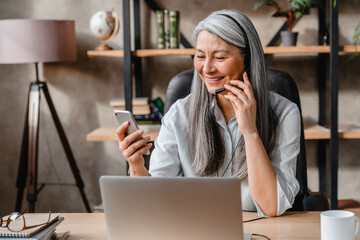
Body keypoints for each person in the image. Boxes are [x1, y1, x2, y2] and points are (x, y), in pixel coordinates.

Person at [117, 9, 300, 217]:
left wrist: (250, 132)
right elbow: (154, 202)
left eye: (220, 57)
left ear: (247, 59)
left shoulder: (285, 113)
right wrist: (136, 165)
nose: (207, 68)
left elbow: (271, 207)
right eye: (200, 56)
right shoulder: (179, 115)